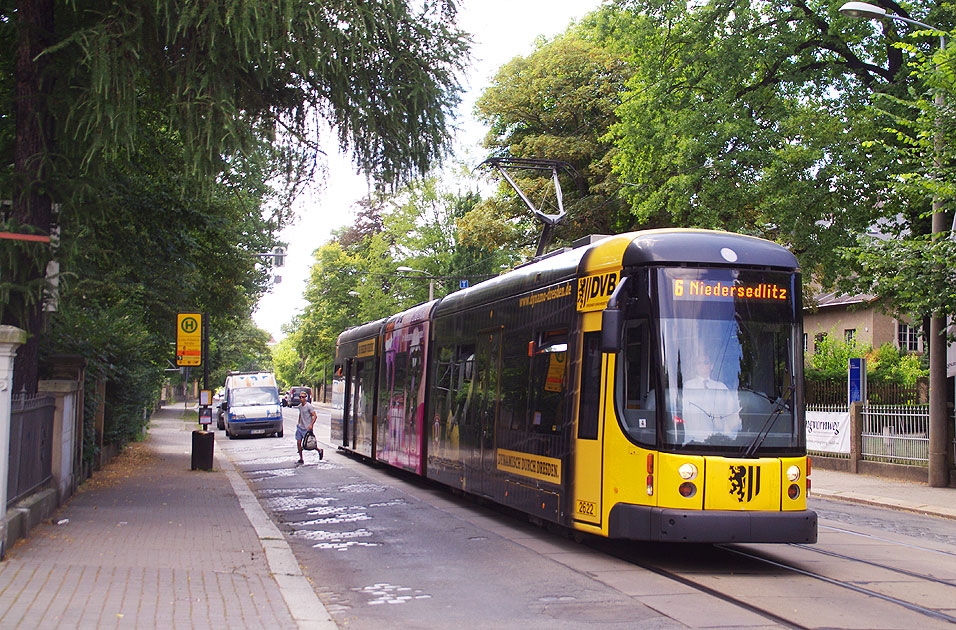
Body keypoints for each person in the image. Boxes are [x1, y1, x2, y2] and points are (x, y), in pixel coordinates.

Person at [680, 356, 741, 443]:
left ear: (711, 366)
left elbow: (731, 413)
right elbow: (685, 413)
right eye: (699, 363)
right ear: (695, 367)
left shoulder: (721, 387)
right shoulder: (688, 386)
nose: (702, 366)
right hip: (695, 440)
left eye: (705, 363)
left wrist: (729, 434)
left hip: (719, 440)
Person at [295, 392, 321, 464]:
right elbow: (300, 414)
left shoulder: (309, 406)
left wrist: (311, 425)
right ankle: (301, 458)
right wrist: (298, 422)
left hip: (307, 428)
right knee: (298, 442)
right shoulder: (300, 406)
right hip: (300, 428)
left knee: (309, 444)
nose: (301, 398)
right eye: (300, 397)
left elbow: (315, 416)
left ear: (305, 398)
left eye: (303, 397)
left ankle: (319, 450)